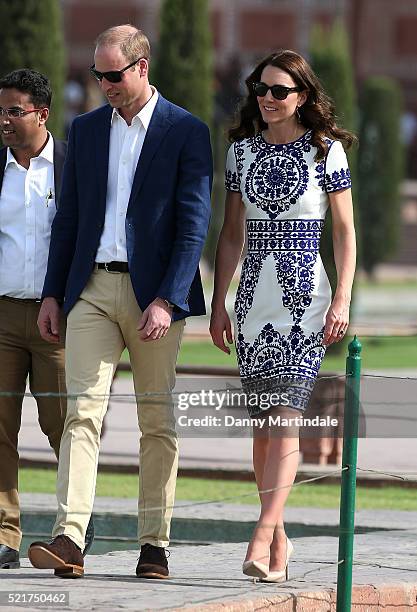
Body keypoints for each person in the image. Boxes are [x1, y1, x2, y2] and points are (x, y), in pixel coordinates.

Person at [28, 24, 212, 579]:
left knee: (157, 421)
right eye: (97, 74)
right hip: (91, 291)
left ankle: (154, 545)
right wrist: (54, 293)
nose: (104, 84)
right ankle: (69, 538)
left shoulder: (186, 130)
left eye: (114, 74)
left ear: (142, 67)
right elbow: (69, 221)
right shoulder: (83, 131)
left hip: (154, 295)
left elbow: (193, 225)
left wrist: (168, 298)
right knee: (82, 413)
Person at [210, 50, 356, 582]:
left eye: (279, 90)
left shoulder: (326, 152)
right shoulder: (241, 154)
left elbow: (344, 233)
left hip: (304, 300)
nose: (267, 99)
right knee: (263, 431)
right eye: (261, 90)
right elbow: (230, 236)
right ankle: (281, 542)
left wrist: (341, 299)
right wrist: (220, 303)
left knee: (285, 418)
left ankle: (262, 532)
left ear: (302, 97)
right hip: (251, 302)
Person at [0, 69, 95, 570]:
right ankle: (4, 534)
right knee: (0, 428)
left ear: (42, 113)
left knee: (63, 425)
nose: (5, 121)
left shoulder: (72, 167)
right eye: (1, 111)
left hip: (58, 317)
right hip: (3, 317)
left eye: (15, 111)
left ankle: (75, 520)